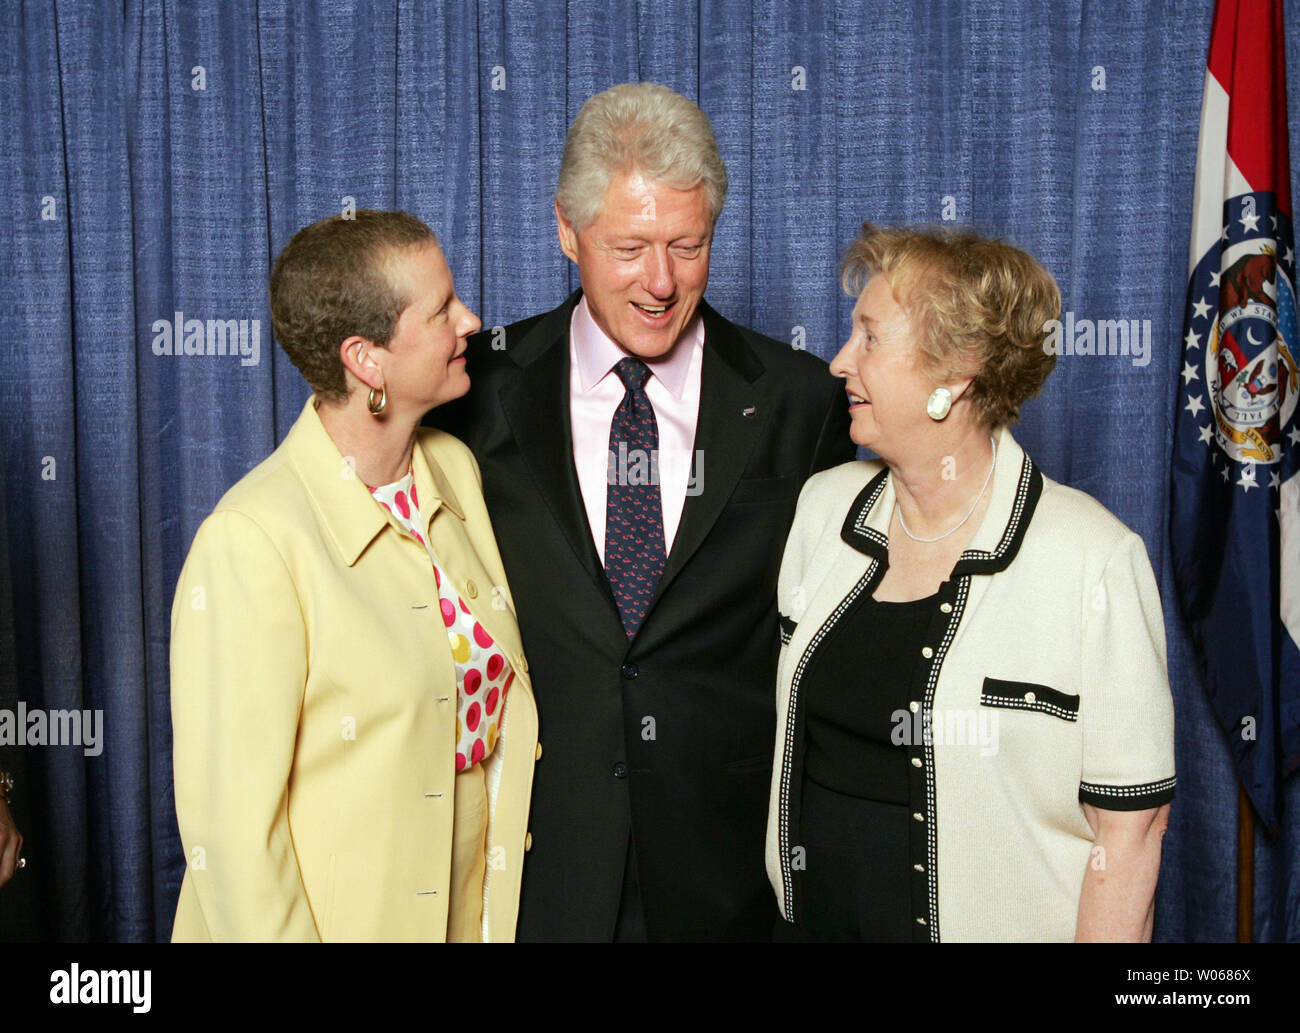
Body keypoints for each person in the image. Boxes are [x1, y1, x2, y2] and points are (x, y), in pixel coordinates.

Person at [428, 82, 854, 941]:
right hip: (537, 871)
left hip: (729, 882)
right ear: (565, 230)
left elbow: (827, 644)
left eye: (687, 246)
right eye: (629, 247)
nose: (660, 282)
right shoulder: (474, 391)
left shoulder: (800, 399)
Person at [765, 223, 1175, 942]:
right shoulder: (822, 511)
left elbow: (1130, 837)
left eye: (869, 338)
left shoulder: (1095, 560)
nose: (837, 362)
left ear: (954, 371)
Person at [170, 210, 538, 941]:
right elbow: (234, 839)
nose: (471, 319)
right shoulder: (251, 540)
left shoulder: (454, 471)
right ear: (367, 359)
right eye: (441, 311)